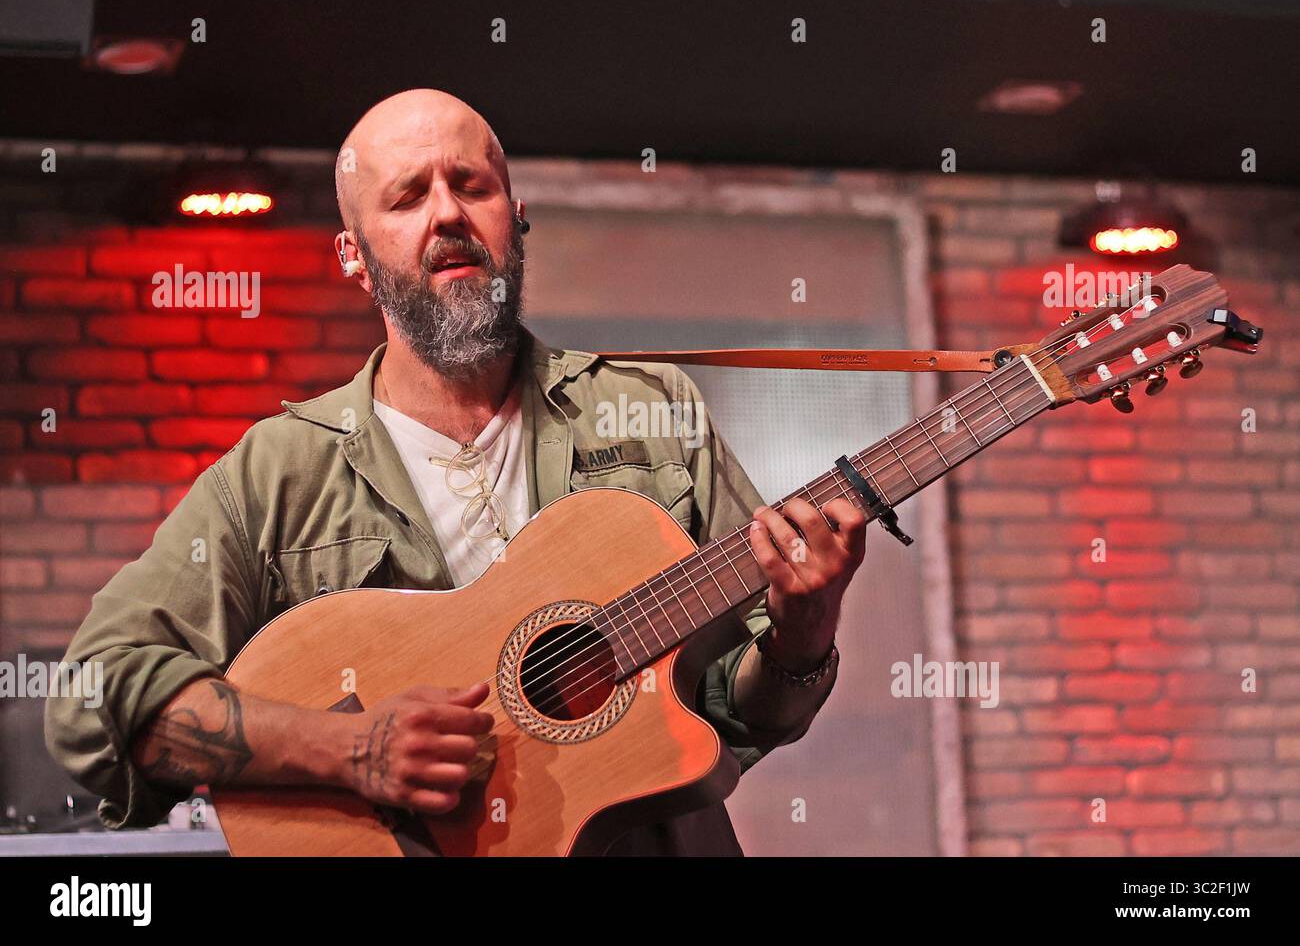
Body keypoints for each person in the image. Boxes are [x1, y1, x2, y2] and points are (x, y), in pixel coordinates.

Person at [46, 89, 867, 855]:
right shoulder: (278, 474)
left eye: (470, 185)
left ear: (516, 216)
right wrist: (347, 748)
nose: (447, 214)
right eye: (406, 198)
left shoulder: (653, 410)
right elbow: (92, 697)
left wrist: (805, 634)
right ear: (354, 256)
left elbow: (739, 708)